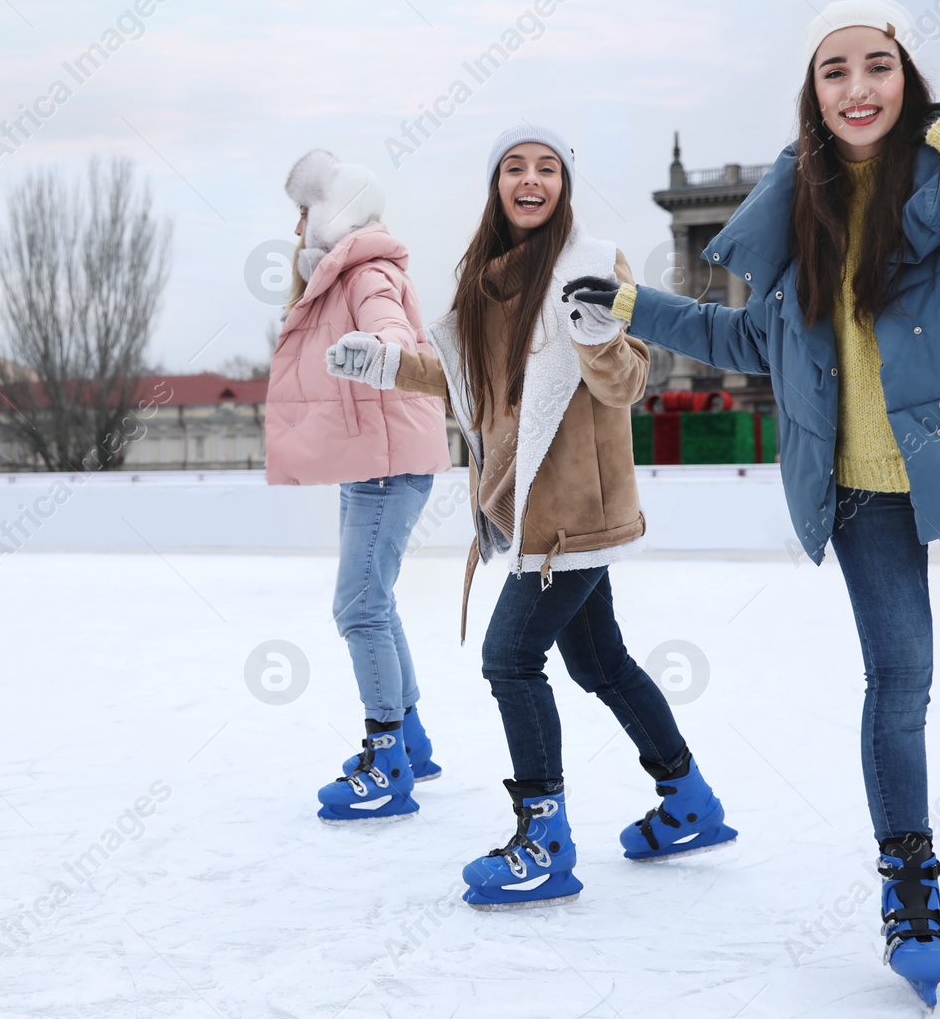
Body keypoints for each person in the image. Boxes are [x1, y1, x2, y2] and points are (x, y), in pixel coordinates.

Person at [566, 0, 940, 1004]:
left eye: (877, 64)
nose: (857, 86)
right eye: (834, 70)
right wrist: (627, 305)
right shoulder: (798, 206)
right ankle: (908, 883)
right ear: (813, 92)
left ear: (906, 76)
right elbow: (754, 344)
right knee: (898, 683)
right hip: (861, 490)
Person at [329, 126, 736, 909]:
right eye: (515, 167)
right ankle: (689, 802)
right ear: (497, 187)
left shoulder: (592, 265)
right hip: (529, 509)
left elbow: (627, 385)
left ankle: (543, 837)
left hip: (575, 513)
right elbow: (472, 391)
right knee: (600, 664)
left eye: (546, 167)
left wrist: (599, 341)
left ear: (563, 187)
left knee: (510, 659)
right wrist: (385, 363)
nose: (531, 178)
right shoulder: (487, 282)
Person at [264, 149, 451, 823]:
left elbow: (392, 337)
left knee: (360, 606)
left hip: (387, 460)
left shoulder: (367, 272)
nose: (294, 231)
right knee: (374, 601)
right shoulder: (346, 273)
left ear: (328, 215)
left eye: (303, 214)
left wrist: (384, 354)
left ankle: (386, 759)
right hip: (374, 458)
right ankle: (412, 739)